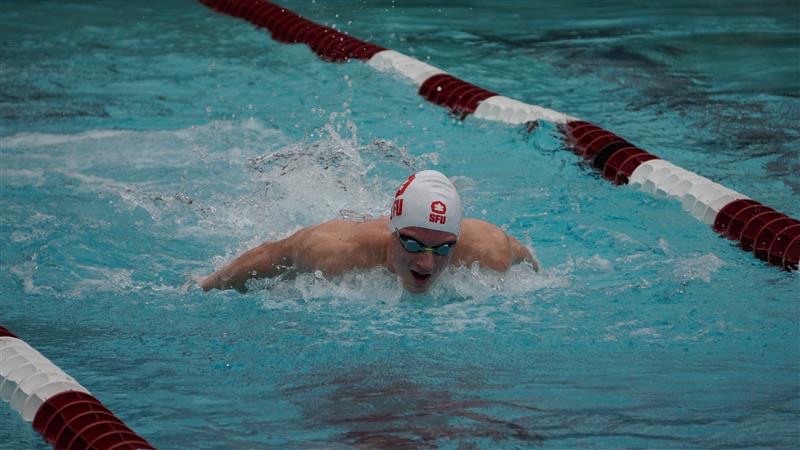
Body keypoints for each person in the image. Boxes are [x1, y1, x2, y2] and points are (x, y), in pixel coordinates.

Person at [200, 170, 539, 293]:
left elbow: (531, 264)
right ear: (393, 231)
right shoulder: (333, 250)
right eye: (413, 243)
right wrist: (207, 286)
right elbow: (271, 255)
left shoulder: (490, 249)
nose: (427, 263)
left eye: (443, 249)